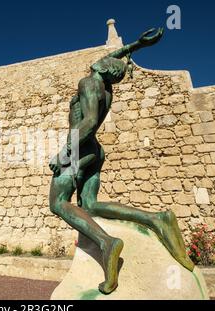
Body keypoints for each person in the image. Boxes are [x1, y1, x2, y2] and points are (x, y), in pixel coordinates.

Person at [49, 28, 194, 294]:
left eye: (104, 61)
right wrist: (136, 45)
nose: (101, 59)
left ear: (103, 68)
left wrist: (65, 152)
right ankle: (156, 219)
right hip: (94, 150)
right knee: (89, 205)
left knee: (58, 203)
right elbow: (113, 58)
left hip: (79, 148)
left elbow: (90, 121)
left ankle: (106, 243)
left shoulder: (88, 83)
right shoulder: (104, 88)